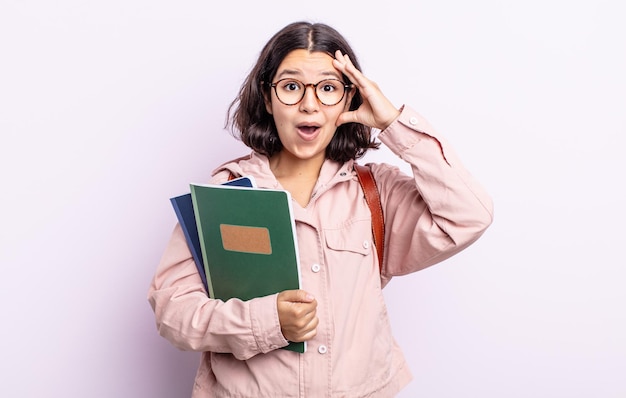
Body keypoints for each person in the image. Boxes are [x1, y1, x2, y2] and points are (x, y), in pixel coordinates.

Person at [148, 21, 494, 397]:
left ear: (349, 99)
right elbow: (173, 311)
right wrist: (268, 322)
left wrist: (394, 123)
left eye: (328, 88)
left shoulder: (376, 192)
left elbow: (469, 214)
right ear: (267, 97)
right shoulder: (225, 194)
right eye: (291, 87)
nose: (309, 103)